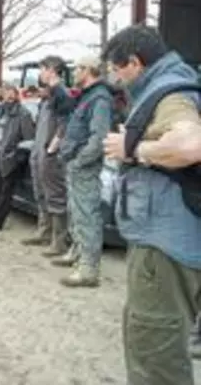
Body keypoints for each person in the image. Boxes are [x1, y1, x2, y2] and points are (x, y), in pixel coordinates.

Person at [101, 25, 201, 385]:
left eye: (117, 69)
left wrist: (133, 150)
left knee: (154, 352)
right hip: (177, 240)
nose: (115, 78)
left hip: (167, 248)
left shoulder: (170, 95)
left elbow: (191, 145)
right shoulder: (179, 84)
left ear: (135, 63)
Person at [56, 56, 113, 287]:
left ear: (89, 70)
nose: (75, 72)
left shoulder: (99, 99)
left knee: (87, 215)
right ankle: (77, 252)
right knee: (76, 212)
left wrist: (80, 161)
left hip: (84, 167)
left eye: (78, 68)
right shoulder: (87, 96)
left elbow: (98, 138)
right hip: (75, 163)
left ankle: (88, 269)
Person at [21, 56, 71, 257]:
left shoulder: (62, 93)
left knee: (55, 194)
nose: (40, 73)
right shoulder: (47, 96)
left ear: (52, 69)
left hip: (50, 152)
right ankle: (44, 230)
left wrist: (53, 147)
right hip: (38, 149)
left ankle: (59, 241)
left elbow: (65, 123)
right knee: (40, 191)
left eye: (42, 69)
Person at [0, 84, 35, 232]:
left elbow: (29, 139)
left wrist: (17, 157)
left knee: (5, 192)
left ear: (17, 95)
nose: (9, 97)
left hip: (11, 157)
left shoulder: (23, 114)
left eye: (12, 94)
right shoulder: (1, 111)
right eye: (6, 94)